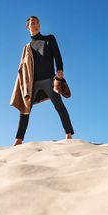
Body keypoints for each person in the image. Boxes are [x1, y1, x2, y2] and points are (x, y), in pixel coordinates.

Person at [13, 16, 75, 146]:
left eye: (37, 23)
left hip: (49, 80)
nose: (36, 25)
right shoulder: (27, 47)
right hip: (33, 82)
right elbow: (23, 66)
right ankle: (18, 139)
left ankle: (68, 134)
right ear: (27, 27)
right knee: (25, 109)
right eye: (33, 23)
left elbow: (57, 55)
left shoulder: (49, 39)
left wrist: (60, 70)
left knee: (59, 105)